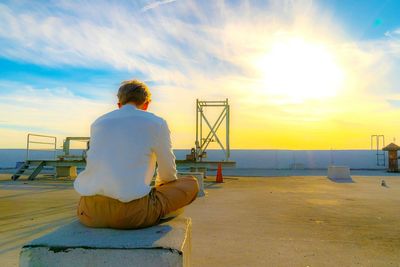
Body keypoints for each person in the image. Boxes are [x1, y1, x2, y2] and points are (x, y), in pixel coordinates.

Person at [74, 80, 199, 229]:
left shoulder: (98, 123)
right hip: (130, 214)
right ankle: (156, 212)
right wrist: (161, 188)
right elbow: (168, 173)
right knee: (191, 184)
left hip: (88, 211)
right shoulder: (156, 123)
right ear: (146, 104)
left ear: (119, 104)